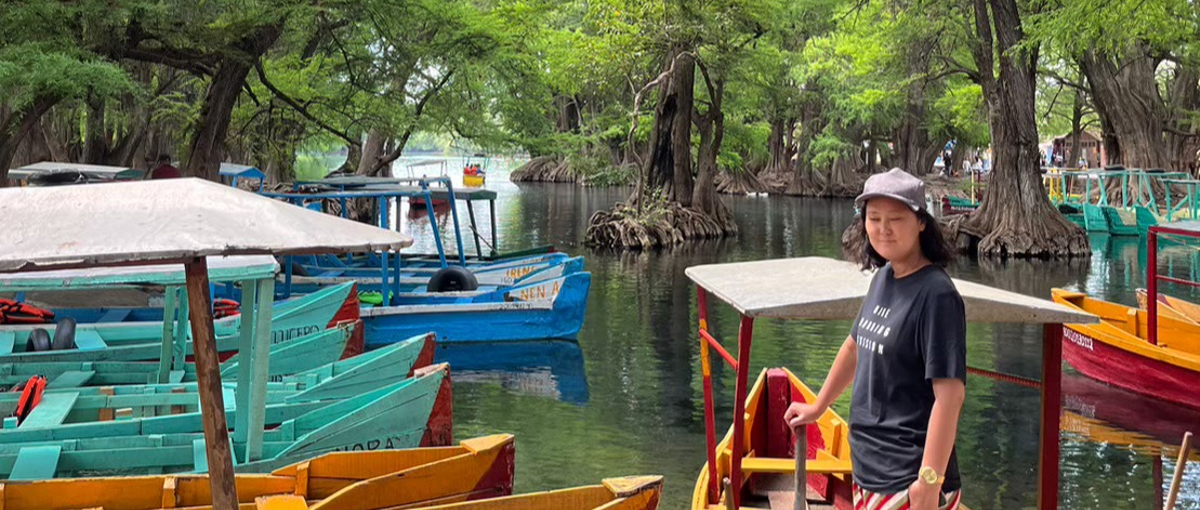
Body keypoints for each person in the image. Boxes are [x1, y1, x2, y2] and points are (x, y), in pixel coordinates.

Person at [785, 168, 966, 510]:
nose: (883, 229)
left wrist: (929, 482)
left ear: (921, 222)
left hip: (906, 479)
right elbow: (855, 347)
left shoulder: (937, 295)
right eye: (874, 217)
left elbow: (950, 397)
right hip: (868, 469)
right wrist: (818, 407)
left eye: (896, 218)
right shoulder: (885, 277)